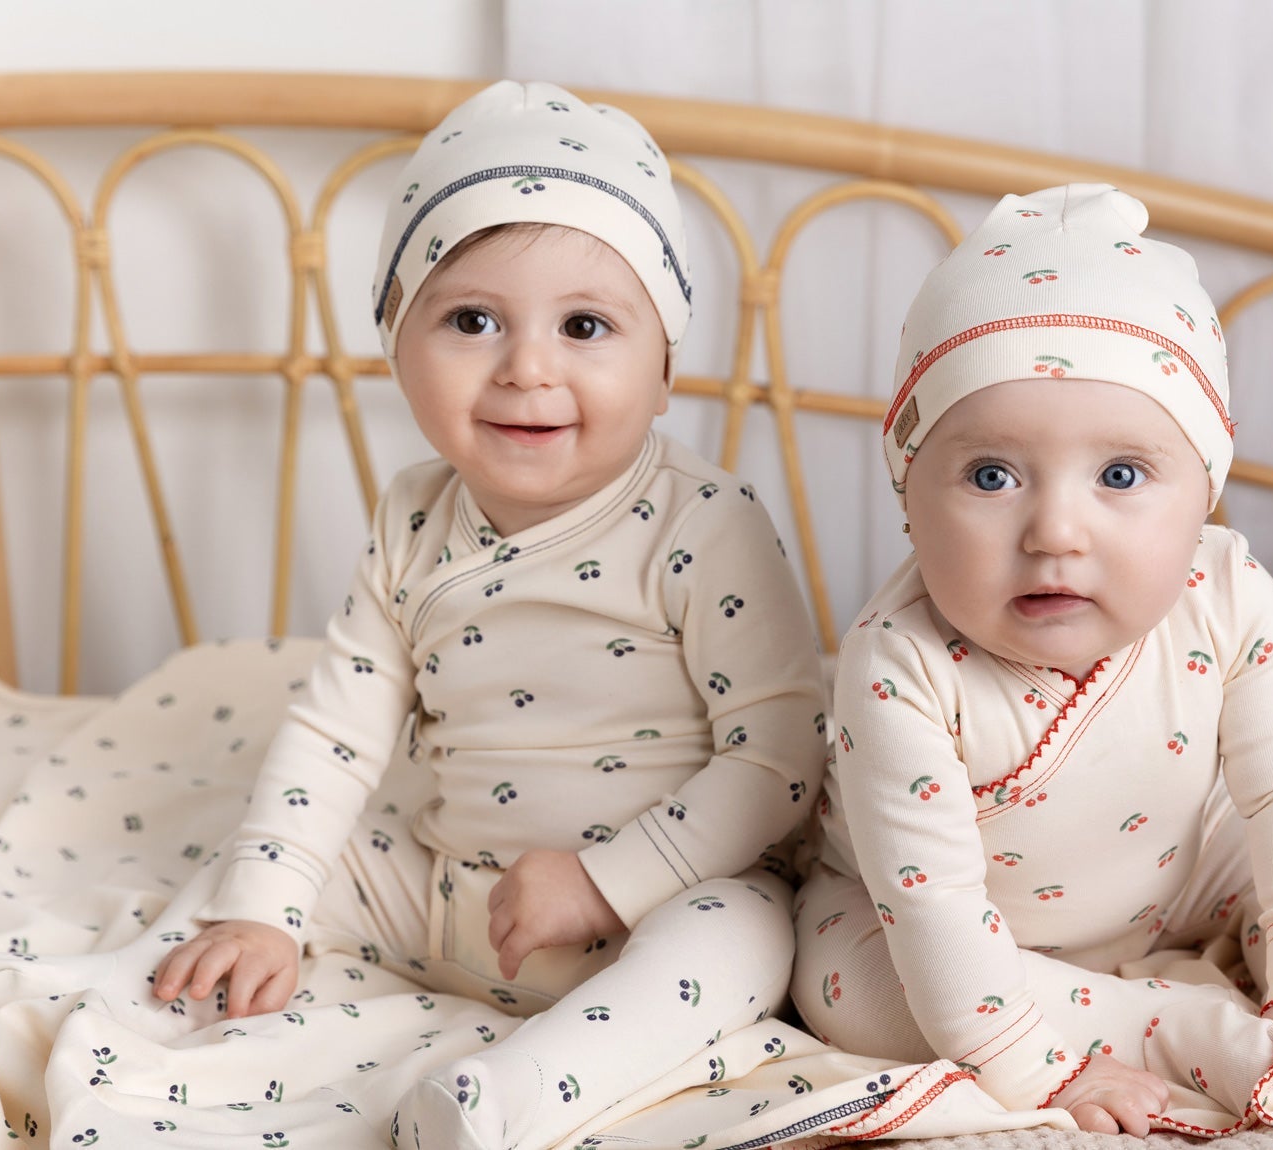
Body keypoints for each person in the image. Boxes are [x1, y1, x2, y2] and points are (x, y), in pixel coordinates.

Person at [152, 80, 827, 1150]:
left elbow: (781, 758)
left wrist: (609, 882)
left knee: (746, 934)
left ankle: (516, 1096)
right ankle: (182, 1024)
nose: (526, 368)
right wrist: (263, 902)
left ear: (663, 368)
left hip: (650, 903)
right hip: (449, 891)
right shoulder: (413, 515)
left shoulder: (706, 524)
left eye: (587, 325)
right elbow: (340, 728)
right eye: (472, 320)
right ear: (396, 342)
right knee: (246, 874)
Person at [794, 183, 1273, 1136]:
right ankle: (1171, 1029)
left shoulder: (1227, 594)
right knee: (847, 985)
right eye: (992, 476)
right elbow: (936, 903)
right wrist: (1038, 1074)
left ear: (1204, 492)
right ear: (910, 492)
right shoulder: (897, 661)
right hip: (937, 928)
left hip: (1172, 878)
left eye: (1121, 476)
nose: (1056, 532)